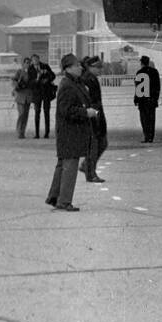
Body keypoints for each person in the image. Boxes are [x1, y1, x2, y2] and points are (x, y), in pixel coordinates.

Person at [46, 53, 98, 211]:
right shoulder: (68, 85)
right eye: (76, 65)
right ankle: (64, 201)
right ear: (68, 68)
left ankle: (55, 197)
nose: (80, 67)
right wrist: (86, 112)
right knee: (70, 166)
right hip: (70, 132)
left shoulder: (72, 82)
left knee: (63, 165)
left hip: (69, 132)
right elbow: (66, 110)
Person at [79, 56, 108, 182]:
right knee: (94, 146)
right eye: (98, 67)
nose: (100, 70)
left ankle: (87, 166)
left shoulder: (92, 78)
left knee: (101, 143)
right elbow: (88, 101)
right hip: (93, 115)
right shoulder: (87, 79)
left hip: (97, 114)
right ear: (90, 67)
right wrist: (94, 115)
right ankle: (90, 173)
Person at [133, 55, 161, 142]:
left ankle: (146, 136)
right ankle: (151, 137)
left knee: (144, 120)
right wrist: (156, 98)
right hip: (152, 99)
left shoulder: (139, 73)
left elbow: (138, 88)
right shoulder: (154, 72)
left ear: (141, 63)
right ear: (148, 62)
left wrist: (136, 99)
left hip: (143, 100)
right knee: (151, 120)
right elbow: (158, 86)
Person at [30, 54, 56, 139]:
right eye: (33, 60)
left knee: (46, 112)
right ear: (32, 61)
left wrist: (47, 78)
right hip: (37, 93)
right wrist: (37, 79)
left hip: (46, 92)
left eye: (36, 59)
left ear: (39, 59)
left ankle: (47, 132)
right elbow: (30, 82)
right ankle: (37, 133)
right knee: (37, 112)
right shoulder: (30, 69)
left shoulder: (45, 66)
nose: (35, 61)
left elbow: (53, 76)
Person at [12, 58, 33, 139]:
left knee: (26, 115)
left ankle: (22, 132)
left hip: (27, 96)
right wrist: (17, 85)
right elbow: (14, 81)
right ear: (23, 63)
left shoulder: (31, 73)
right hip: (20, 96)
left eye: (29, 63)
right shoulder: (19, 72)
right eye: (26, 63)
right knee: (21, 114)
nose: (28, 64)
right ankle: (18, 131)